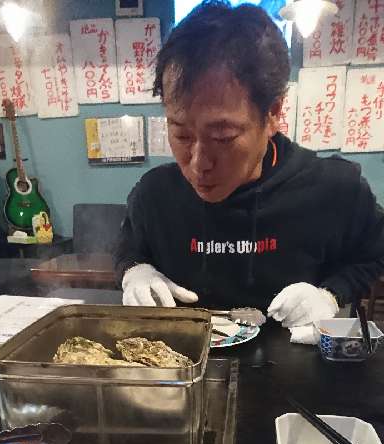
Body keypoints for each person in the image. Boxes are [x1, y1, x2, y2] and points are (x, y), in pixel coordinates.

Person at [115, 0, 384, 335]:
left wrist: (331, 295)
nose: (199, 163)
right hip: (185, 360)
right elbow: (129, 247)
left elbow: (374, 253)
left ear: (273, 113)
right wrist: (134, 270)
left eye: (222, 137)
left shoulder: (332, 188)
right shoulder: (155, 194)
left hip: (291, 362)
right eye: (182, 134)